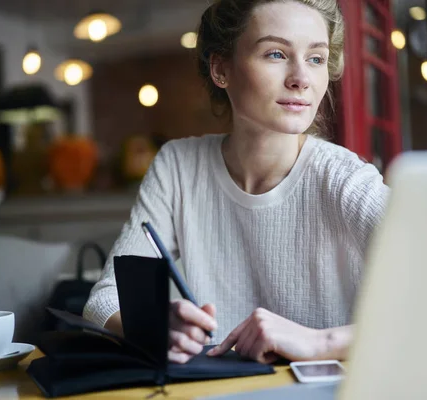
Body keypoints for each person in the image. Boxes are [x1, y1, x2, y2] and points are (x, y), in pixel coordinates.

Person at [84, 0, 390, 365]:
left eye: (316, 58)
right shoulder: (178, 167)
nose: (301, 79)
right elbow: (103, 302)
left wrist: (319, 342)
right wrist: (149, 325)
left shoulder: (345, 179)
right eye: (276, 54)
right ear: (221, 68)